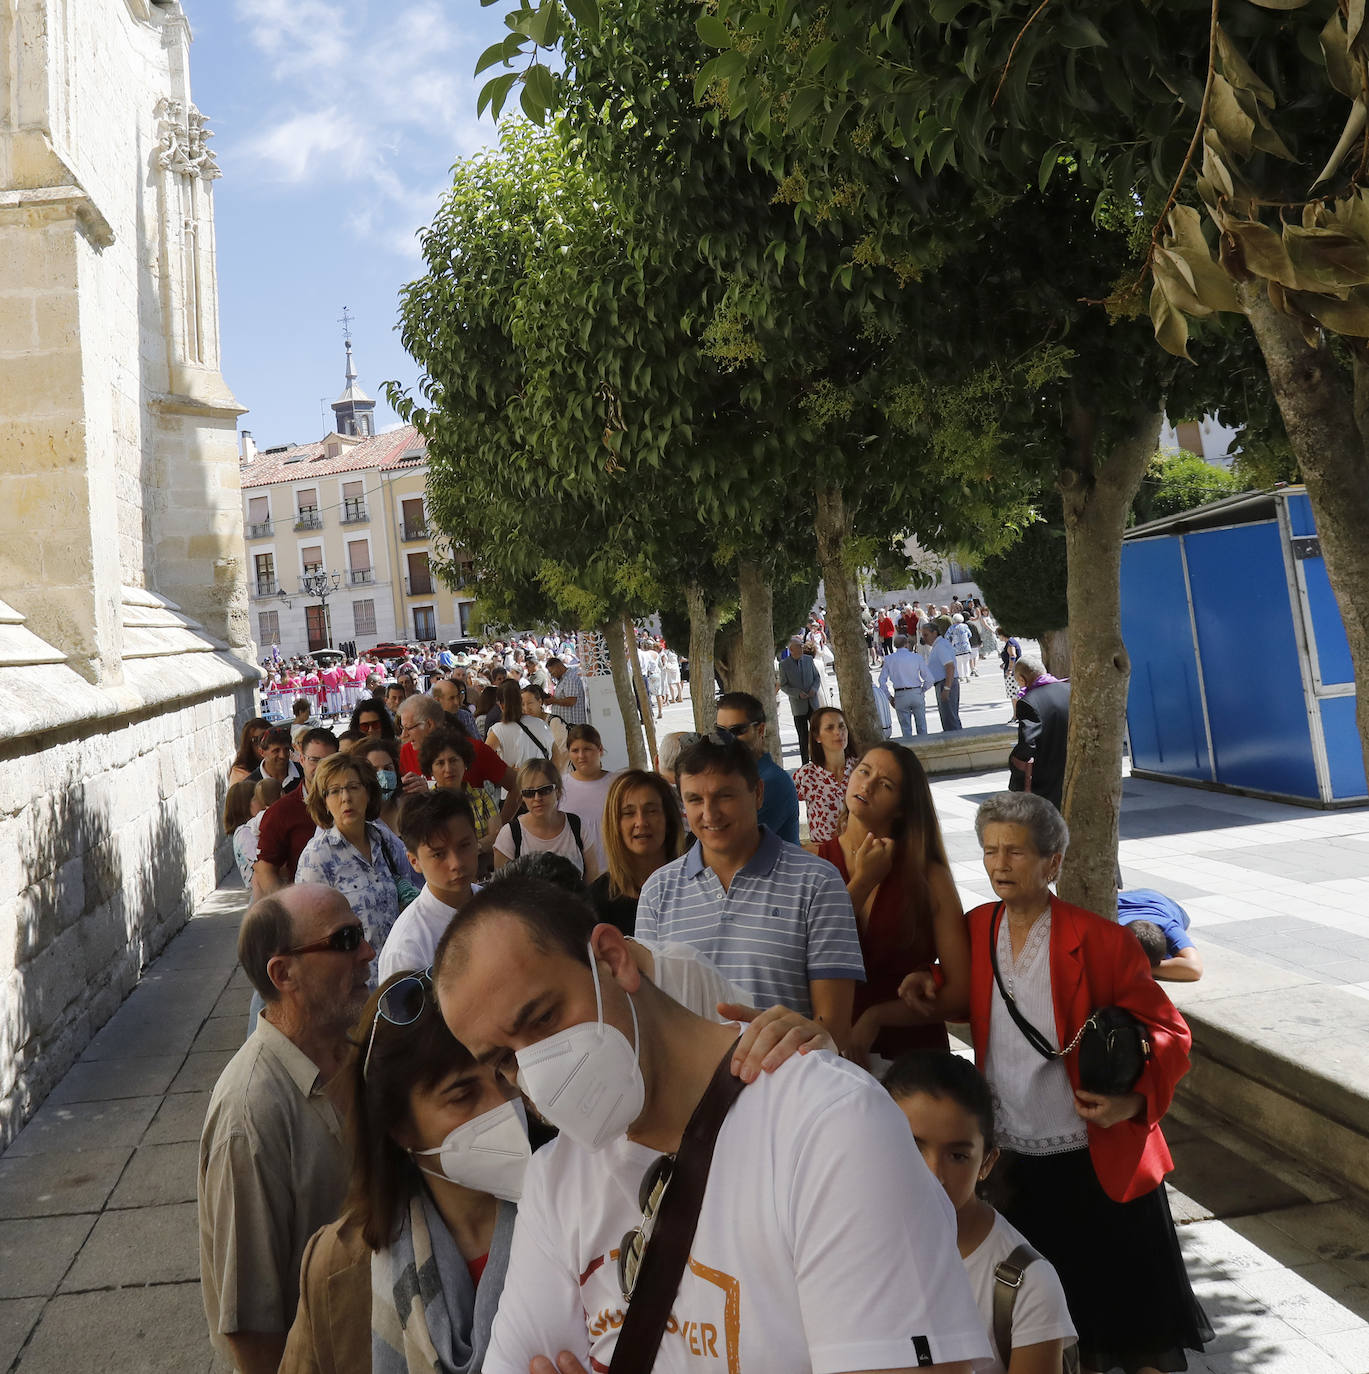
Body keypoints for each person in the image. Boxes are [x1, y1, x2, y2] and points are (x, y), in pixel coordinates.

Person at [431, 879, 988, 1374]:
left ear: (613, 959)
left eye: (545, 1018)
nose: (539, 1070)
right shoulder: (556, 1181)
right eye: (506, 1061)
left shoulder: (830, 1128)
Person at [941, 791, 1210, 1373]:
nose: (999, 864)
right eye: (990, 851)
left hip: (1095, 1156)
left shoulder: (1101, 941)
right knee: (1042, 1317)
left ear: (1053, 862)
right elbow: (955, 992)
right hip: (1011, 1159)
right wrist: (920, 991)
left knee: (1127, 1323)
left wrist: (1132, 1101)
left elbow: (1170, 1032)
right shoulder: (976, 927)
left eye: (1015, 851)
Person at [199, 885, 376, 1374]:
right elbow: (252, 1328)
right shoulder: (250, 1116)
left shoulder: (357, 1052)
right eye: (344, 941)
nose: (368, 951)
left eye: (359, 934)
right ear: (284, 974)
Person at [635, 731, 863, 1037]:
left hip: (788, 1078)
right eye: (694, 799)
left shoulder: (817, 883)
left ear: (757, 793)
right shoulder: (657, 892)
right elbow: (650, 1015)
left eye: (724, 796)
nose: (709, 813)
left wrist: (763, 1037)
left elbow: (833, 1029)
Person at [884, 1053, 1078, 1374]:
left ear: (986, 1162)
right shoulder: (846, 1243)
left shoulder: (1026, 1284)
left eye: (958, 1155)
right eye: (911, 1145)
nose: (933, 1173)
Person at [818, 744, 970, 1063]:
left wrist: (877, 1017)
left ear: (901, 808)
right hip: (829, 1056)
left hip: (914, 1059)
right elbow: (802, 952)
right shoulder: (811, 861)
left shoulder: (928, 876)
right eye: (863, 771)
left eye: (885, 784)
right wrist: (863, 881)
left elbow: (960, 991)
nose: (868, 785)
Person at [295, 753, 420, 961]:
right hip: (353, 980)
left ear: (368, 793)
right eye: (334, 791)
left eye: (353, 787)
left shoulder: (384, 839)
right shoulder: (316, 857)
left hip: (398, 970)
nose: (346, 798)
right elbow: (308, 931)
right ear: (324, 801)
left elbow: (411, 887)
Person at [379, 789, 483, 982]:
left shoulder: (495, 906)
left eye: (464, 845)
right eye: (438, 854)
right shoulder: (408, 948)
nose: (456, 863)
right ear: (414, 861)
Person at [398, 694, 522, 827]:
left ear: (429, 724)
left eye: (408, 728)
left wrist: (500, 828)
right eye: (402, 728)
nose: (403, 735)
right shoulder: (406, 752)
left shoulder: (474, 749)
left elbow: (517, 785)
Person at [588, 769, 686, 935]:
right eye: (628, 813)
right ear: (615, 825)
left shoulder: (695, 886)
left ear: (668, 819)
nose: (641, 822)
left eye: (651, 810)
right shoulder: (595, 902)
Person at [253, 728, 340, 897]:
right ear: (301, 759)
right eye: (314, 760)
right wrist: (289, 907)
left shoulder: (354, 802)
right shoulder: (281, 812)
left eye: (329, 761)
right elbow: (265, 870)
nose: (321, 768)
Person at [493, 758, 601, 881]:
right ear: (522, 797)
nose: (537, 798)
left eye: (545, 790)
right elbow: (502, 891)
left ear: (558, 791)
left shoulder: (578, 826)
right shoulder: (510, 835)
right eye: (529, 792)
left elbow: (592, 882)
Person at [715, 691, 800, 845]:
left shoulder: (772, 782)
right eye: (720, 731)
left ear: (760, 730)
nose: (726, 739)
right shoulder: (731, 776)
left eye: (737, 731)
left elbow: (731, 845)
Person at [419, 726, 499, 860]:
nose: (448, 769)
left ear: (465, 763)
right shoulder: (426, 805)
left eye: (453, 760)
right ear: (430, 770)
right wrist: (478, 846)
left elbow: (497, 836)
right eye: (440, 763)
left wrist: (472, 848)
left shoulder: (482, 797)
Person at [1007, 657, 1071, 812]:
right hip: (1075, 771)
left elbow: (1027, 744)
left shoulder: (1028, 702)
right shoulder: (1069, 690)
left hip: (1047, 779)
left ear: (1022, 679)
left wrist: (1013, 763)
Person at [793, 706, 858, 845]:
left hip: (860, 850)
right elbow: (784, 802)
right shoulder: (806, 775)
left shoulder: (860, 769)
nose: (838, 732)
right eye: (829, 728)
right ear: (817, 736)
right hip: (824, 856)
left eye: (842, 726)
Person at [1116, 889, 1204, 983]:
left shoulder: (1169, 926)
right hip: (1127, 898)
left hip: (1158, 901)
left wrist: (1137, 969)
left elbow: (1194, 969)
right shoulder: (1112, 930)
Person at [559, 723, 618, 843]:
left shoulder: (617, 784)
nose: (581, 756)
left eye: (587, 749)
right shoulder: (560, 786)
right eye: (575, 751)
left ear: (600, 750)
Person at [486, 678, 555, 772]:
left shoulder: (498, 730)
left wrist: (507, 770)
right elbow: (555, 756)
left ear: (501, 705)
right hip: (543, 782)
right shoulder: (541, 724)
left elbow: (483, 760)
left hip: (515, 784)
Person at [879, 632, 935, 739]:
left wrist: (889, 697)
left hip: (900, 694)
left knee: (906, 729)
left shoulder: (889, 659)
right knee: (922, 726)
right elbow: (929, 679)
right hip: (916, 691)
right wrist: (922, 690)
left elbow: (882, 681)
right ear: (906, 644)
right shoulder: (916, 657)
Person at [778, 635, 823, 767]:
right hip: (798, 706)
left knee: (817, 734)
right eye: (799, 647)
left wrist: (814, 688)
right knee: (802, 736)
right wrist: (797, 693)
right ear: (792, 650)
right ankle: (805, 763)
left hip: (812, 702)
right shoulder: (784, 665)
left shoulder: (808, 660)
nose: (802, 648)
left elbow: (817, 677)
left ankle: (818, 759)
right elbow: (784, 685)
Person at [921, 620, 962, 731]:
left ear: (934, 633)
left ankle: (956, 742)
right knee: (949, 718)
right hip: (944, 683)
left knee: (950, 719)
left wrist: (947, 688)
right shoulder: (939, 645)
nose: (924, 638)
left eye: (926, 635)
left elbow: (950, 666)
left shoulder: (940, 646)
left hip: (946, 683)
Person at [360, 736, 404, 835]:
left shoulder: (409, 808)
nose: (383, 777)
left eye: (388, 769)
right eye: (374, 770)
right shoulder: (356, 818)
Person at [520, 682, 569, 772]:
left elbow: (562, 755)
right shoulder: (524, 725)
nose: (526, 708)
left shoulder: (554, 722)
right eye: (523, 704)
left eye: (530, 703)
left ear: (540, 702)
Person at [224, 779, 260, 888]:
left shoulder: (251, 829)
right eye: (257, 798)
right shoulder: (245, 832)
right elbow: (261, 865)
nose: (263, 801)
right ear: (245, 805)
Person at [247, 725, 303, 790]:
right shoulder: (251, 785)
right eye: (276, 751)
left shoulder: (304, 773)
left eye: (286, 749)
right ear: (261, 752)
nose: (282, 755)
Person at [229, 717, 272, 785]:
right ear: (248, 744)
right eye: (257, 740)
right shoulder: (240, 773)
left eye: (268, 738)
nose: (264, 744)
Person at [545, 655, 588, 724]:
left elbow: (571, 701)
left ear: (558, 667)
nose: (552, 675)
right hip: (567, 724)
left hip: (572, 724)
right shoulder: (563, 678)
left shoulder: (570, 678)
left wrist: (554, 701)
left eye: (551, 671)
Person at [948, 614, 977, 681]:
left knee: (958, 663)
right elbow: (970, 635)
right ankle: (967, 676)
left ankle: (961, 676)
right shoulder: (965, 626)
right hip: (966, 647)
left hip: (956, 648)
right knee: (966, 662)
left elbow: (947, 637)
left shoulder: (951, 628)